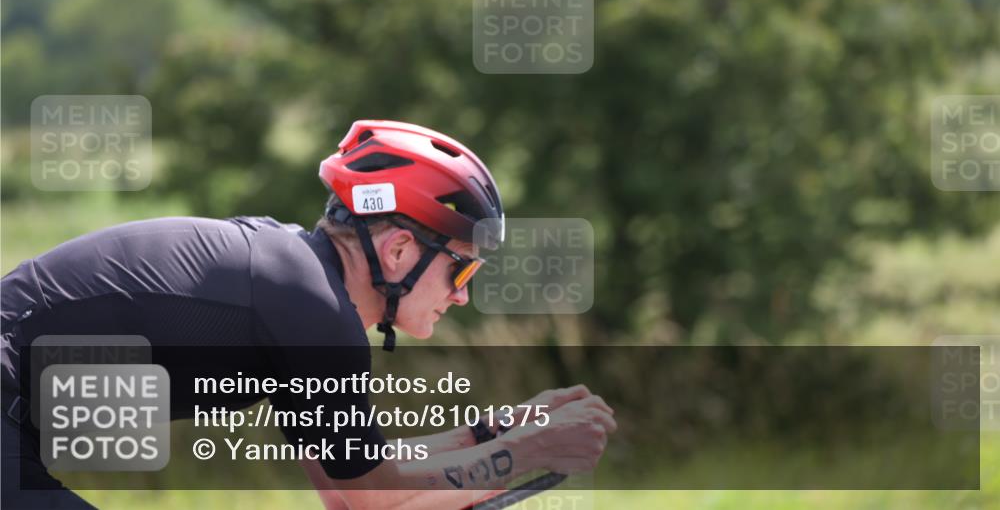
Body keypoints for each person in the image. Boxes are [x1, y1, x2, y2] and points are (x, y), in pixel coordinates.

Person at [1, 120, 615, 510]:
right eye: (463, 270)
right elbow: (378, 499)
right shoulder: (311, 310)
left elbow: (351, 486)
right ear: (400, 249)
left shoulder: (300, 292)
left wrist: (492, 435)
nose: (463, 296)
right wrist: (531, 450)